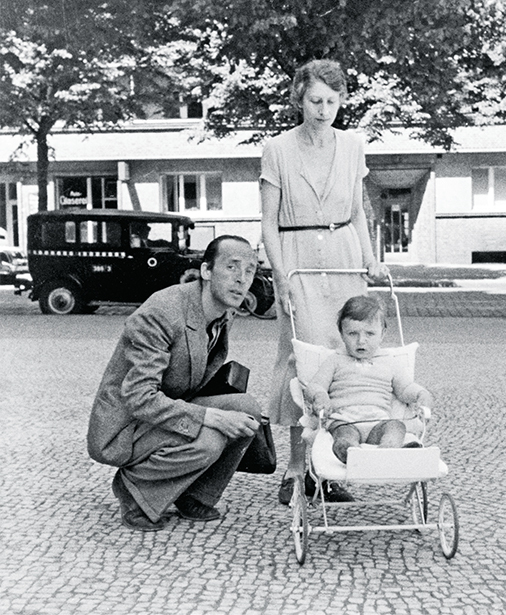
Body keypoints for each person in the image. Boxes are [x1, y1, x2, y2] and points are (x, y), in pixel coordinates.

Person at [260, 59, 388, 504]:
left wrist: (371, 260)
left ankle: (329, 469)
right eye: (315, 100)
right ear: (299, 98)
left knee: (344, 357)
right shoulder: (276, 149)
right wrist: (280, 279)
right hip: (296, 261)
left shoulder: (353, 146)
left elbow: (358, 211)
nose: (324, 109)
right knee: (304, 360)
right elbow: (269, 222)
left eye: (333, 101)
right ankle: (296, 470)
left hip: (344, 259)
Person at [87, 235, 262, 531]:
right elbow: (140, 397)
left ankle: (192, 494)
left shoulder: (223, 311)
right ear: (206, 271)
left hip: (167, 408)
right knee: (210, 440)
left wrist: (219, 414)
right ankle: (134, 491)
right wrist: (211, 417)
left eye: (250, 270)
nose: (241, 280)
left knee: (247, 410)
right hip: (126, 426)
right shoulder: (162, 312)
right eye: (231, 267)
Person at [305, 295, 433, 464]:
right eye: (352, 334)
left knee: (396, 427)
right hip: (345, 420)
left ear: (382, 334)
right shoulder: (335, 360)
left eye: (370, 334)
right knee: (344, 435)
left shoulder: (389, 361)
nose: (361, 341)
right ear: (342, 335)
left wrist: (421, 395)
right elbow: (315, 385)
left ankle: (389, 449)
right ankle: (350, 451)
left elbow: (404, 388)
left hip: (378, 422)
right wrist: (320, 397)